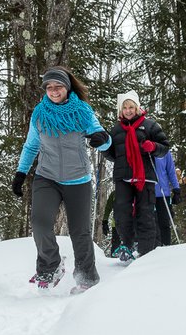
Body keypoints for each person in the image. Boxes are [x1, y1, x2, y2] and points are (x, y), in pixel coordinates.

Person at [12, 66, 112, 294]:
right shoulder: (39, 113)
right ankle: (50, 267)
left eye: (58, 87)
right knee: (39, 224)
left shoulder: (82, 111)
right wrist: (20, 173)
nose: (53, 91)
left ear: (67, 88)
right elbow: (31, 146)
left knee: (80, 232)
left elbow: (102, 137)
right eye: (49, 87)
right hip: (47, 177)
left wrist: (102, 139)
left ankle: (87, 278)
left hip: (78, 179)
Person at [101, 90, 170, 261]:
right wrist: (102, 146)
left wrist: (153, 147)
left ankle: (146, 251)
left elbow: (165, 147)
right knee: (121, 212)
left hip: (145, 176)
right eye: (125, 107)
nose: (128, 110)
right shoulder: (116, 129)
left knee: (145, 213)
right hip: (124, 176)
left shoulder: (150, 126)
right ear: (120, 110)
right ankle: (128, 244)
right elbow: (112, 154)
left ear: (137, 107)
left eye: (131, 107)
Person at [152, 148, 182, 246]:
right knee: (150, 223)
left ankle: (166, 248)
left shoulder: (164, 150)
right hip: (147, 193)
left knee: (164, 222)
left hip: (163, 193)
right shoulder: (143, 147)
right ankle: (151, 250)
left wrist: (176, 189)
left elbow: (171, 171)